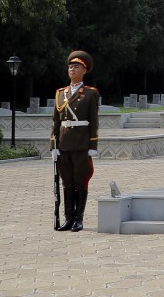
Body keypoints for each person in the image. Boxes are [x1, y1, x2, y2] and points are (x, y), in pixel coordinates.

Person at [49, 50, 100, 232]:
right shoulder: (60, 93)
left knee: (80, 181)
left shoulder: (90, 94)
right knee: (66, 182)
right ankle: (68, 218)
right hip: (64, 143)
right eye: (70, 67)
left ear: (84, 70)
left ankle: (79, 219)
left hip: (81, 143)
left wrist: (93, 145)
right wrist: (53, 145)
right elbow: (56, 121)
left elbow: (94, 121)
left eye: (76, 67)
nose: (72, 69)